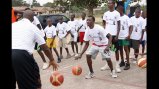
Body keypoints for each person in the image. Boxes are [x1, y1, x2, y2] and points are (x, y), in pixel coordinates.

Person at [12, 10, 58, 89]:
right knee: (30, 84)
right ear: (33, 18)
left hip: (16, 52)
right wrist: (52, 59)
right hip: (21, 55)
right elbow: (45, 47)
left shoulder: (13, 25)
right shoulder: (33, 27)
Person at [101, 0, 121, 73]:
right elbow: (104, 23)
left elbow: (119, 25)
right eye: (108, 3)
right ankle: (107, 64)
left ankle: (117, 65)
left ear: (113, 4)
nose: (109, 4)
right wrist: (104, 32)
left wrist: (117, 35)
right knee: (107, 50)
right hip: (107, 35)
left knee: (116, 51)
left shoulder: (117, 13)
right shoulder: (105, 13)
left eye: (110, 3)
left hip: (114, 35)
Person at [116, 5, 133, 70]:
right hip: (119, 37)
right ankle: (122, 61)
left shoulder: (126, 17)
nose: (116, 11)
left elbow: (131, 26)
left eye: (117, 10)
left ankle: (128, 63)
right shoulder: (117, 18)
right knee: (120, 49)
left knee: (126, 50)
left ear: (121, 10)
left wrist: (129, 35)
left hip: (125, 36)